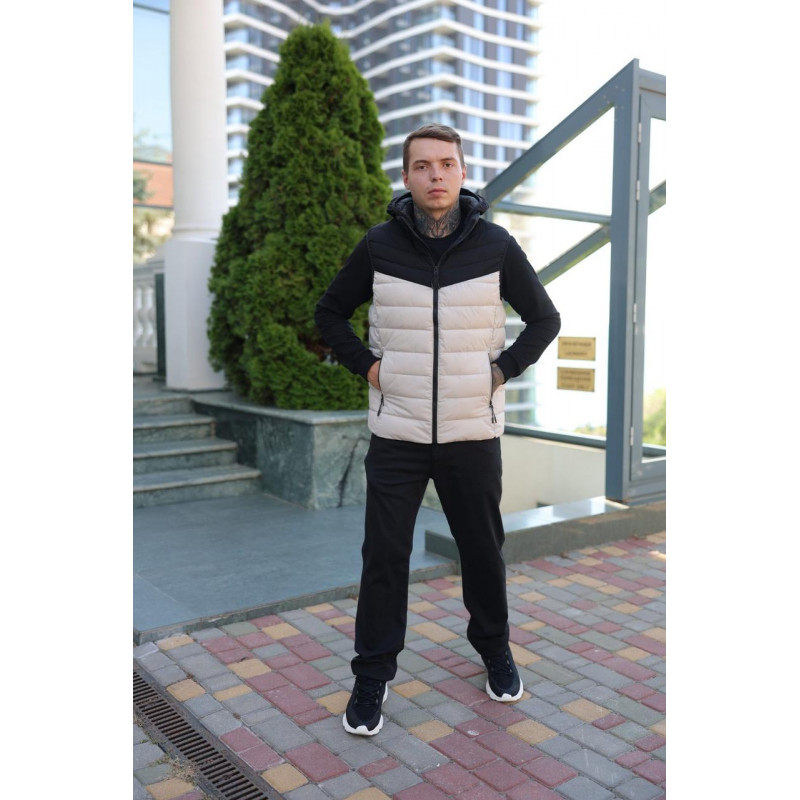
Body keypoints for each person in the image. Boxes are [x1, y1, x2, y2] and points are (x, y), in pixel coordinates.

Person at [315, 124, 561, 736]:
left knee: (482, 552)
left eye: (446, 164)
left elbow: (544, 319)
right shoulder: (379, 246)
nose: (435, 175)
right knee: (384, 557)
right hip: (397, 434)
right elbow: (330, 312)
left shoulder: (495, 246)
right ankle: (372, 676)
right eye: (422, 165)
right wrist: (370, 368)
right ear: (406, 177)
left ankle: (495, 650)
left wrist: (499, 372)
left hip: (471, 433)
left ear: (461, 172)